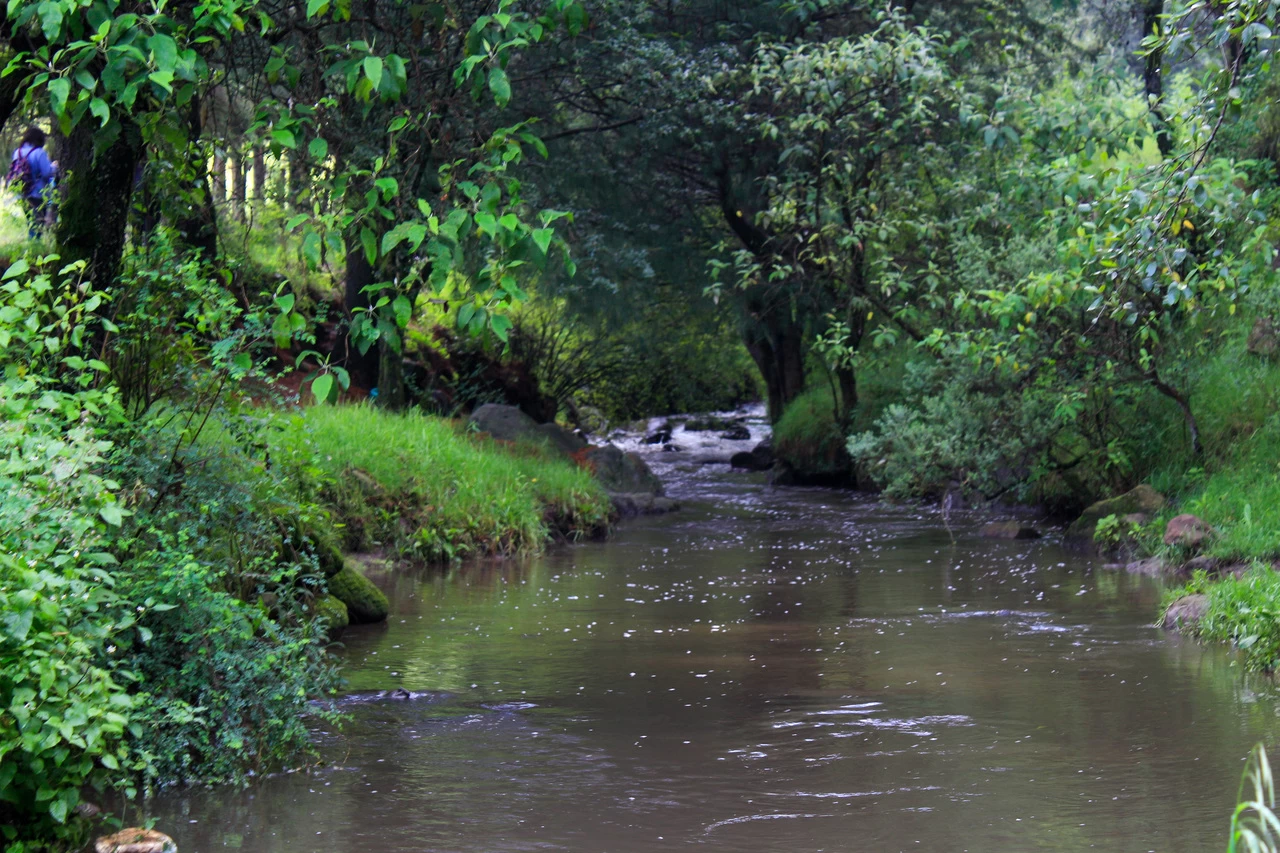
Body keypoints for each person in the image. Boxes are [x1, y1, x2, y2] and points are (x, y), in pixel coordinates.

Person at [7, 127, 57, 238]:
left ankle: (33, 246)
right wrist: (54, 167)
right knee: (38, 223)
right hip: (37, 192)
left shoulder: (18, 152)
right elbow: (46, 173)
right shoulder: (39, 152)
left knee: (31, 222)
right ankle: (36, 247)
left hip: (22, 192)